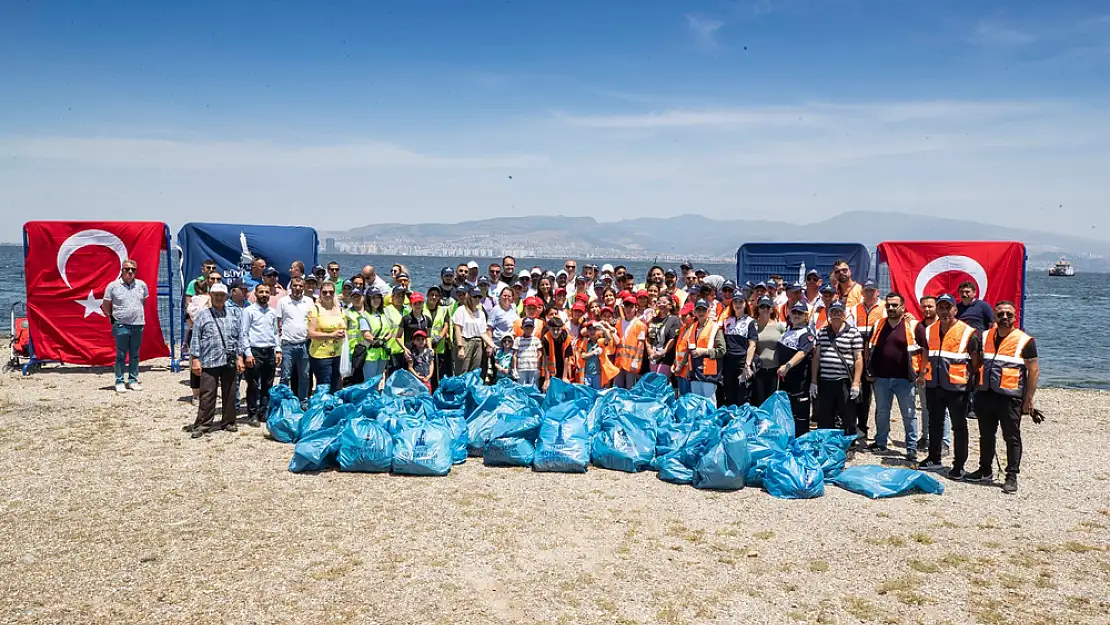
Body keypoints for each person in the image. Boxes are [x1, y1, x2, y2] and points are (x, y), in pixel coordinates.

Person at [968, 301, 1038, 493]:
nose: (1004, 318)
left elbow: (1033, 371)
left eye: (1009, 315)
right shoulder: (984, 337)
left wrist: (1029, 399)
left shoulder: (1025, 341)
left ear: (1015, 317)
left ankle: (1011, 475)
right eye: (1000, 315)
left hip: (1010, 398)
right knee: (986, 435)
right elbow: (977, 362)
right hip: (985, 394)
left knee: (1011, 437)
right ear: (995, 317)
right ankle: (984, 470)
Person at [918, 294, 980, 475]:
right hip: (934, 385)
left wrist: (971, 381)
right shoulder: (929, 330)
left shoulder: (968, 332)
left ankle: (959, 465)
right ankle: (934, 458)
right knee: (934, 424)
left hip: (957, 388)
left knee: (959, 427)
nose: (944, 311)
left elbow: (976, 362)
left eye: (948, 308)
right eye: (941, 308)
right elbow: (925, 354)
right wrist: (922, 374)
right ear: (937, 310)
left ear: (955, 309)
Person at [864, 292, 929, 463]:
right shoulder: (878, 324)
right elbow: (868, 346)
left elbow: (925, 350)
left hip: (905, 379)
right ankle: (880, 442)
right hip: (882, 378)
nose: (891, 308)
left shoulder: (914, 326)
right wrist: (869, 370)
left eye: (895, 305)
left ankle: (911, 448)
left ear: (903, 307)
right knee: (882, 412)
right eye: (888, 305)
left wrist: (922, 373)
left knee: (909, 414)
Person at [187, 283, 245, 438]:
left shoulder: (234, 314)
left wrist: (240, 356)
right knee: (208, 394)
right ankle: (203, 425)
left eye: (222, 295)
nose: (219, 297)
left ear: (226, 297)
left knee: (230, 393)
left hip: (229, 360)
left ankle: (229, 422)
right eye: (216, 295)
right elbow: (195, 339)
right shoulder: (202, 315)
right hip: (209, 360)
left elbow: (239, 337)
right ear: (211, 296)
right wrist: (195, 359)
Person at [811, 301, 863, 436]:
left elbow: (858, 359)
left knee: (848, 415)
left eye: (839, 312)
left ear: (844, 314)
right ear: (829, 314)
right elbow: (816, 357)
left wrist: (856, 383)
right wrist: (813, 381)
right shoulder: (822, 332)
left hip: (844, 381)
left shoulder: (853, 333)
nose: (836, 315)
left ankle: (849, 445)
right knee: (825, 416)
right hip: (825, 381)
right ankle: (827, 444)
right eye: (833, 312)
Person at [102, 258, 149, 393]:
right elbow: (106, 304)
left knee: (135, 354)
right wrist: (111, 317)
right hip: (121, 325)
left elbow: (143, 302)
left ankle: (133, 380)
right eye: (127, 269)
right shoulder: (113, 286)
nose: (130, 272)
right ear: (122, 270)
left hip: (138, 324)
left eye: (133, 269)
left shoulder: (142, 285)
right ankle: (119, 381)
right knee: (121, 355)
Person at [240, 283, 281, 426]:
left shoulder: (272, 311)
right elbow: (244, 333)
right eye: (261, 292)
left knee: (268, 384)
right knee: (253, 384)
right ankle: (252, 414)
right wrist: (248, 353)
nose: (264, 294)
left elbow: (275, 333)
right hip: (254, 351)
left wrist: (278, 350)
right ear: (256, 294)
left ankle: (263, 412)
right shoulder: (249, 311)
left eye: (266, 292)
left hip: (269, 351)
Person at [916, 295, 951, 455]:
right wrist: (921, 372)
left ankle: (944, 442)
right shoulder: (920, 327)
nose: (927, 309)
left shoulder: (943, 326)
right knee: (925, 407)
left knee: (944, 410)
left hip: (944, 375)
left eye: (930, 306)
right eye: (924, 306)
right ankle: (926, 437)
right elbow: (923, 351)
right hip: (926, 374)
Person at [777, 302, 816, 437]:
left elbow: (802, 352)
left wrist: (787, 365)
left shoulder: (806, 333)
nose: (796, 315)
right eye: (794, 312)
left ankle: (802, 442)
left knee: (800, 415)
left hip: (799, 381)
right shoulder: (788, 330)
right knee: (786, 412)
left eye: (800, 313)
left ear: (806, 316)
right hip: (784, 381)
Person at [679, 299, 725, 406]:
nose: (701, 313)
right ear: (694, 312)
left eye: (703, 310)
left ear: (708, 311)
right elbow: (689, 350)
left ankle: (710, 423)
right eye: (698, 310)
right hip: (694, 373)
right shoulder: (692, 328)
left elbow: (722, 350)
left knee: (709, 404)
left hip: (708, 374)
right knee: (696, 404)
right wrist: (684, 368)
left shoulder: (715, 328)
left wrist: (704, 351)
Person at [276, 276, 314, 404]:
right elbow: (277, 325)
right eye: (295, 285)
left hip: (304, 344)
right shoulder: (283, 301)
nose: (297, 288)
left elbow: (312, 321)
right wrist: (278, 347)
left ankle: (303, 401)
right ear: (290, 287)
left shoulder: (309, 301)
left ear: (303, 287)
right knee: (285, 376)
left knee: (305, 376)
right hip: (287, 344)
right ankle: (284, 402)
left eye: (300, 286)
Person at [306, 281, 345, 392]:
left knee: (336, 385)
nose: (328, 295)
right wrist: (331, 335)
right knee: (324, 386)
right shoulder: (315, 309)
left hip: (338, 354)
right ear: (320, 294)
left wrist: (342, 333)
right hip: (321, 355)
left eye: (331, 292)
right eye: (325, 292)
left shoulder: (339, 309)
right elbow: (311, 333)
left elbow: (344, 327)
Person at [719, 294, 757, 406]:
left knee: (742, 394)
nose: (738, 304)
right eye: (735, 302)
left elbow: (752, 345)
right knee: (729, 393)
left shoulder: (751, 322)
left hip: (742, 362)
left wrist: (747, 365)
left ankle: (742, 420)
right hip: (728, 362)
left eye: (740, 302)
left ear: (745, 304)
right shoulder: (727, 321)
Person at [750, 297, 786, 406]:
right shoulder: (754, 326)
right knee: (760, 401)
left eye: (767, 307)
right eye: (762, 306)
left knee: (773, 402)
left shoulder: (779, 326)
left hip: (775, 370)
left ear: (771, 309)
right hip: (759, 370)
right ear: (758, 309)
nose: (765, 309)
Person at [453, 286, 496, 375]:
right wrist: (460, 347)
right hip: (465, 341)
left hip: (478, 343)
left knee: (474, 372)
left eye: (479, 297)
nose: (477, 299)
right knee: (462, 371)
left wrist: (493, 346)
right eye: (475, 296)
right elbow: (457, 329)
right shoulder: (461, 310)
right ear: (469, 296)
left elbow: (483, 333)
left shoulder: (481, 313)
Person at [613, 296, 647, 389]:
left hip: (631, 363)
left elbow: (641, 344)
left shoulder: (640, 325)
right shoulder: (619, 323)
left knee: (630, 389)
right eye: (626, 306)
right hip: (620, 362)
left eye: (631, 307)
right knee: (618, 389)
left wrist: (635, 360)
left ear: (635, 307)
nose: (628, 309)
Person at [424, 286, 453, 388]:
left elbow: (446, 325)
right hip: (424, 346)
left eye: (436, 295)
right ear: (427, 295)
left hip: (439, 346)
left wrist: (440, 337)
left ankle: (437, 393)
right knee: (425, 373)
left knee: (438, 373)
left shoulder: (443, 310)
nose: (434, 297)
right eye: (432, 295)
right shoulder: (422, 308)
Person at [359, 288, 391, 382]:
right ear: (368, 300)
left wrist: (384, 340)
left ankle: (376, 396)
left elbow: (390, 331)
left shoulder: (383, 314)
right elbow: (366, 334)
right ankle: (369, 397)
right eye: (373, 298)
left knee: (379, 379)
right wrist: (378, 341)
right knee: (370, 381)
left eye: (378, 297)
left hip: (382, 353)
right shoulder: (364, 316)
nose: (376, 300)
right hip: (370, 353)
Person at [646, 295, 682, 378]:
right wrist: (649, 350)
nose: (661, 305)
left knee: (661, 380)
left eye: (664, 302)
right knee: (653, 381)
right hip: (653, 355)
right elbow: (648, 337)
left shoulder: (674, 319)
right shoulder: (654, 319)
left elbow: (673, 338)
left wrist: (664, 352)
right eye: (659, 302)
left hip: (667, 357)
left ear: (670, 305)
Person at [341, 287, 368, 385]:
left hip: (367, 350)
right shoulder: (346, 312)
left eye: (358, 296)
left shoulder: (369, 312)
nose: (356, 299)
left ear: (363, 297)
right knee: (350, 378)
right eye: (354, 297)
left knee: (364, 377)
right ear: (351, 298)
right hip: (352, 350)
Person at [540, 316, 573, 388]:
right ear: (549, 328)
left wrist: (564, 377)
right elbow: (546, 359)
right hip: (551, 368)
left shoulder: (566, 337)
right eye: (553, 329)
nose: (555, 332)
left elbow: (566, 358)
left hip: (562, 365)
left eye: (558, 329)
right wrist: (547, 379)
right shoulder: (546, 338)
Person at [383, 285, 409, 374]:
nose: (400, 298)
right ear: (392, 297)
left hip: (406, 349)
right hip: (392, 349)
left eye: (402, 296)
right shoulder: (386, 311)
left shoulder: (408, 310)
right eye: (397, 296)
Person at [514, 318, 543, 388]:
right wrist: (514, 368)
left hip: (533, 367)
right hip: (521, 367)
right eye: (526, 328)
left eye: (531, 328)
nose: (528, 330)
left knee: (534, 387)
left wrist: (538, 367)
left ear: (533, 328)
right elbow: (515, 355)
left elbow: (539, 354)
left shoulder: (536, 340)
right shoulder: (517, 340)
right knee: (521, 387)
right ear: (522, 328)